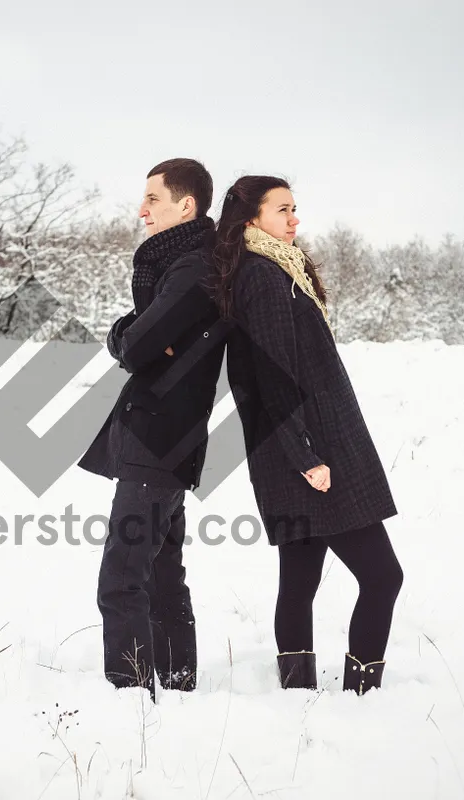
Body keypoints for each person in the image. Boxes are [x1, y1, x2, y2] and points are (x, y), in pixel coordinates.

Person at [212, 175, 404, 695]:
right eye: (282, 210)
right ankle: (362, 696)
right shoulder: (264, 278)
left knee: (299, 580)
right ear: (252, 218)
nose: (295, 218)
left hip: (300, 450)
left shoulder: (274, 270)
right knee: (383, 577)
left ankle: (296, 695)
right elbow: (272, 375)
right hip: (314, 454)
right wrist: (305, 456)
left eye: (295, 208)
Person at [78, 158, 226, 700]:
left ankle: (130, 693)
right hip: (167, 439)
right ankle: (178, 680)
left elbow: (138, 346)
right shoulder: (186, 265)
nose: (142, 210)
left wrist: (124, 333)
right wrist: (135, 334)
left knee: (123, 577)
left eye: (153, 200)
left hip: (160, 439)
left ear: (186, 206)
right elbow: (143, 340)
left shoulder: (192, 269)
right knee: (163, 571)